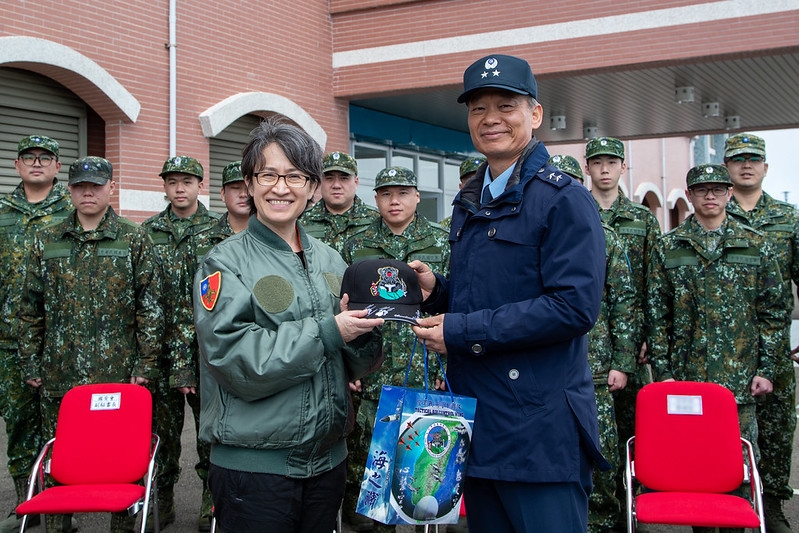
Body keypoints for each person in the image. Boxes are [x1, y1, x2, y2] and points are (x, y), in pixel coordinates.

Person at [411, 53, 608, 533]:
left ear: (535, 114)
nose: (490, 119)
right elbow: (489, 297)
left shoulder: (564, 199)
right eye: (478, 108)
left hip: (537, 429)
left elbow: (573, 307)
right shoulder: (470, 200)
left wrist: (460, 331)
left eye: (506, 105)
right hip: (478, 422)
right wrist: (438, 292)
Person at [193, 116, 383, 533]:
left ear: (312, 187)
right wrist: (332, 331)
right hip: (256, 470)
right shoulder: (224, 262)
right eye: (268, 175)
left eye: (295, 176)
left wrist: (367, 332)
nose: (281, 188)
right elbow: (235, 359)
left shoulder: (331, 260)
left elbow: (354, 364)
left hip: (327, 463)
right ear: (249, 183)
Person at [19, 156, 163, 533]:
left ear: (110, 187)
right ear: (69, 190)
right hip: (59, 373)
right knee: (59, 460)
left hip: (118, 373)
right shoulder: (47, 238)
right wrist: (31, 362)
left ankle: (123, 528)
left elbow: (150, 307)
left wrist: (145, 364)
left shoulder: (133, 237)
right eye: (80, 186)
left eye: (96, 186)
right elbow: (30, 307)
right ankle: (58, 527)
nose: (88, 192)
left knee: (121, 459)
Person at [646, 164, 786, 533]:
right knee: (697, 469)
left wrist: (766, 369)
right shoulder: (669, 246)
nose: (710, 196)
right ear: (689, 195)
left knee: (739, 468)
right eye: (702, 190)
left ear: (729, 193)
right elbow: (657, 316)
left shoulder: (756, 244)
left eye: (718, 189)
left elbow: (773, 313)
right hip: (688, 381)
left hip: (740, 382)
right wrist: (664, 374)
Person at [342, 166, 450, 533]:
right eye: (386, 193)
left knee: (424, 471)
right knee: (370, 469)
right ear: (375, 199)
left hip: (426, 371)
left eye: (402, 193)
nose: (394, 201)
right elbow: (341, 307)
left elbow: (455, 304)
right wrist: (350, 365)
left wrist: (447, 365)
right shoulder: (355, 243)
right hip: (373, 374)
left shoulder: (441, 241)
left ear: (417, 196)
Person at [551, 154, 637, 533]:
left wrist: (622, 362)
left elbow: (624, 303)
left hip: (596, 368)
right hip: (546, 366)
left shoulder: (605, 237)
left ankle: (602, 522)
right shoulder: (528, 234)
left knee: (601, 453)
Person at [584, 136, 660, 530]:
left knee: (629, 430)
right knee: (596, 433)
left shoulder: (642, 219)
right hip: (590, 345)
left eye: (612, 162)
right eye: (598, 162)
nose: (605, 169)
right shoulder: (576, 211)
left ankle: (630, 505)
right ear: (588, 168)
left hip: (628, 343)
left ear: (622, 167)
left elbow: (650, 283)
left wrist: (642, 338)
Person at [724, 133, 798, 533]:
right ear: (727, 168)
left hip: (773, 345)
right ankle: (730, 502)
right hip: (726, 346)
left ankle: (773, 504)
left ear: (765, 167)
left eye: (753, 159)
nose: (746, 165)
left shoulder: (788, 218)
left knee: (777, 429)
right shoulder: (714, 213)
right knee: (727, 431)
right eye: (738, 160)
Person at [0, 135, 73, 533]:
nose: (37, 163)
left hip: (59, 342)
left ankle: (61, 511)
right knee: (19, 427)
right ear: (16, 165)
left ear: (58, 166)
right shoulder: (3, 212)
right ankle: (26, 509)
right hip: (9, 341)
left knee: (63, 431)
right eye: (28, 157)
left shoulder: (72, 211)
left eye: (46, 157)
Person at [143, 155, 220, 531]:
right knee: (161, 434)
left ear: (200, 185)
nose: (179, 188)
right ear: (164, 186)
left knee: (210, 432)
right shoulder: (148, 231)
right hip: (161, 351)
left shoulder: (217, 231)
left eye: (186, 181)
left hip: (205, 352)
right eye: (172, 181)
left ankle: (210, 501)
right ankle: (162, 498)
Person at [300, 151, 379, 257]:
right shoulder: (300, 222)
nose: (336, 185)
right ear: (320, 182)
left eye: (344, 178)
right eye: (329, 178)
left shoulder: (377, 221)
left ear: (356, 182)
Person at [209, 160, 252, 244]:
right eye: (235, 188)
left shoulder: (272, 235)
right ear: (223, 194)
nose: (243, 194)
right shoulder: (202, 237)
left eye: (249, 189)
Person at [440, 156, 486, 228]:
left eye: (481, 180)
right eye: (470, 181)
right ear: (461, 187)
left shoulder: (501, 218)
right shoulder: (448, 226)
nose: (476, 185)